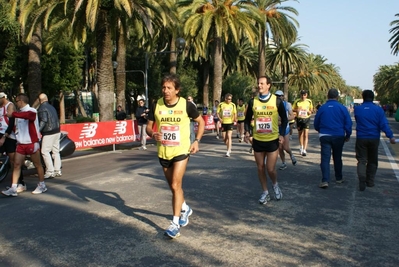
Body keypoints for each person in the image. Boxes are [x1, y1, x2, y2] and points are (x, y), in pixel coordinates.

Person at [146, 74, 205, 239]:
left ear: (177, 90)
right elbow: (149, 128)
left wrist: (196, 141)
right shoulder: (156, 105)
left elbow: (201, 122)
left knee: (175, 183)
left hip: (181, 151)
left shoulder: (186, 105)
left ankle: (175, 224)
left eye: (169, 88)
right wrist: (153, 134)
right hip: (163, 152)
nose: (165, 91)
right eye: (164, 87)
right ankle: (185, 208)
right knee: (174, 187)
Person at [244, 76, 287, 204]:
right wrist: (247, 132)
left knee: (270, 169)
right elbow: (247, 120)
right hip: (258, 139)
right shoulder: (253, 102)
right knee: (260, 167)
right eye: (258, 83)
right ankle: (265, 192)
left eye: (262, 83)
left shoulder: (276, 101)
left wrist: (282, 134)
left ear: (269, 85)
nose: (259, 86)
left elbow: (284, 119)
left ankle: (275, 185)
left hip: (272, 139)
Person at [1, 93, 46, 196]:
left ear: (21, 101)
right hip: (21, 144)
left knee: (37, 164)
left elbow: (28, 116)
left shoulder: (32, 111)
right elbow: (16, 127)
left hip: (31, 143)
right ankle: (13, 188)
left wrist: (12, 114)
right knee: (16, 165)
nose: (16, 103)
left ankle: (42, 185)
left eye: (16, 101)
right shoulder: (18, 113)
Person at [354, 90, 396, 191]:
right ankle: (370, 181)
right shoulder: (378, 110)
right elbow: (383, 124)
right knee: (373, 160)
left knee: (362, 160)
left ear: (363, 97)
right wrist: (390, 136)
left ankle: (362, 178)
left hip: (361, 137)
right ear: (373, 98)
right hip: (374, 138)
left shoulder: (357, 109)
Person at [314, 89, 352, 189]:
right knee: (337, 157)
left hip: (325, 135)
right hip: (338, 135)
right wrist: (347, 135)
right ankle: (339, 178)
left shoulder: (322, 108)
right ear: (337, 97)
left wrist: (320, 130)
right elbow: (348, 123)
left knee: (325, 158)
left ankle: (325, 180)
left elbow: (316, 122)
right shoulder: (342, 108)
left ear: (327, 96)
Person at [0, 92, 26, 193]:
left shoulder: (9, 106)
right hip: (1, 134)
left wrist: (4, 136)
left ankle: (20, 182)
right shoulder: (1, 106)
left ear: (3, 98)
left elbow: (11, 123)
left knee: (14, 160)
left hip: (9, 136)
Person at [37, 93, 62, 179]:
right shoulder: (52, 107)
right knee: (55, 151)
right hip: (57, 130)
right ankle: (57, 170)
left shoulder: (42, 108)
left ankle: (50, 171)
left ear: (40, 100)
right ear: (46, 98)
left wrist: (38, 131)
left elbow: (43, 120)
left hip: (48, 132)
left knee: (45, 151)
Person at [274, 90, 297, 170]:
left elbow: (292, 116)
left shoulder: (287, 105)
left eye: (280, 96)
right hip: (277, 128)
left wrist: (284, 119)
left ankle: (291, 155)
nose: (279, 97)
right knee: (280, 147)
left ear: (283, 96)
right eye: (277, 96)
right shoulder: (272, 105)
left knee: (286, 147)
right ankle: (284, 163)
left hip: (285, 127)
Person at [292, 90, 314, 156]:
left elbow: (311, 110)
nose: (303, 96)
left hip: (306, 119)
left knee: (306, 135)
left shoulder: (309, 101)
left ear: (306, 95)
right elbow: (293, 109)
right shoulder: (297, 101)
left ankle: (304, 150)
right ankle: (301, 147)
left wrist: (310, 112)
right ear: (300, 95)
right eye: (302, 95)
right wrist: (297, 110)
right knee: (300, 134)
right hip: (299, 119)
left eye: (304, 95)